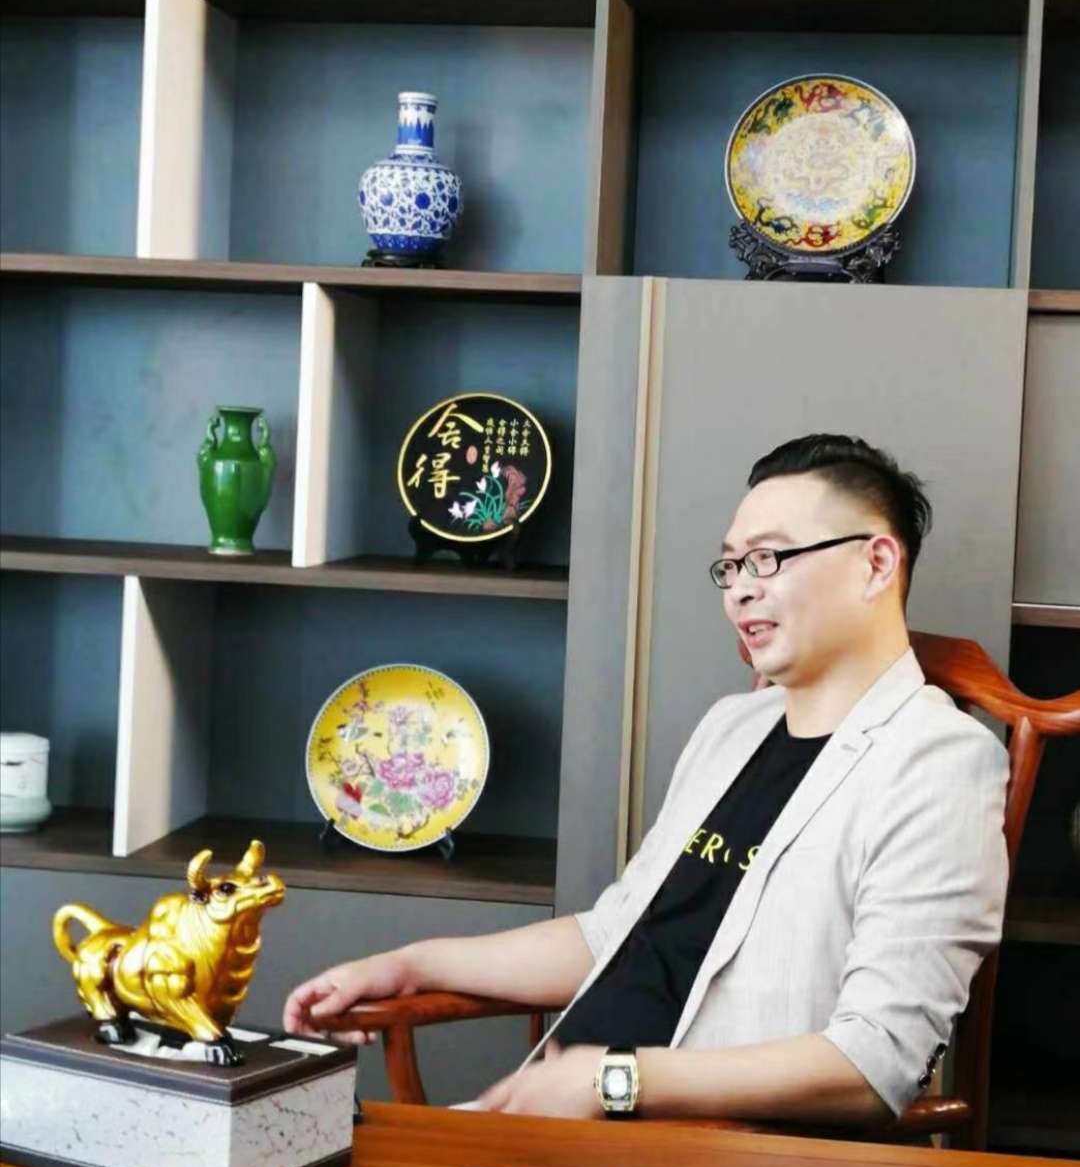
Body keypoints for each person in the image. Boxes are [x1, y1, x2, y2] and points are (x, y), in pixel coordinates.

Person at [283, 433, 1010, 1131]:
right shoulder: (732, 728)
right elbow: (615, 933)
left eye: (768, 559)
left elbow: (874, 1060)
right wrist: (411, 965)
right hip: (556, 1122)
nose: (740, 591)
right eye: (731, 566)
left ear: (876, 564)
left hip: (699, 1146)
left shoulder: (939, 762)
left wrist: (613, 1083)